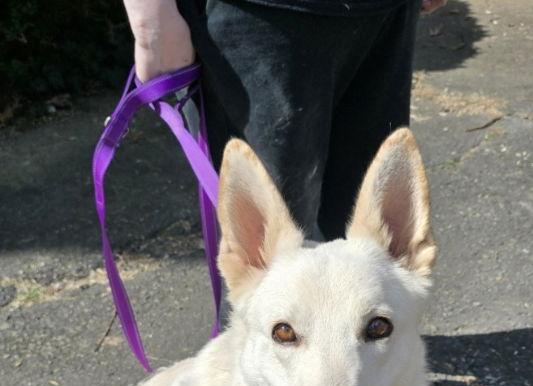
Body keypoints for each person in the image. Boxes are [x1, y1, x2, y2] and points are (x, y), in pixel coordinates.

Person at [123, 0, 446, 239]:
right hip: (257, 17)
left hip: (384, 13)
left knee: (370, 243)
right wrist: (150, 18)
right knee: (264, 256)